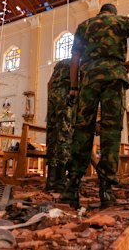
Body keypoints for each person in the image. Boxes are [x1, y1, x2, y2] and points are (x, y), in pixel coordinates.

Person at [60, 3, 129, 208]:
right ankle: (106, 189)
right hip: (114, 76)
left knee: (82, 130)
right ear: (113, 12)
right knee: (111, 131)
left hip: (89, 79)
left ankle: (72, 186)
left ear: (100, 12)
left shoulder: (85, 25)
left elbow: (74, 58)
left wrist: (74, 88)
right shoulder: (120, 21)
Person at [45, 58, 72, 192]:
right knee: (64, 137)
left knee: (52, 138)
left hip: (52, 98)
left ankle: (50, 181)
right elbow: (77, 84)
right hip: (66, 97)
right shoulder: (78, 63)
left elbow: (49, 83)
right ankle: (61, 181)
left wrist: (51, 99)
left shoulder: (59, 64)